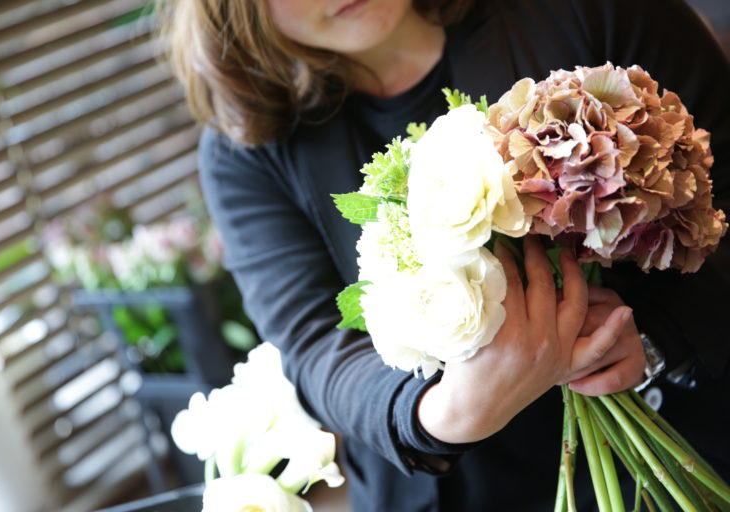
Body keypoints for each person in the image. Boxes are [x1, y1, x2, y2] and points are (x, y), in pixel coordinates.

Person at [164, 0, 730, 509]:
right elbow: (314, 342)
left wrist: (655, 337)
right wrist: (447, 412)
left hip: (678, 437)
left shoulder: (594, 12)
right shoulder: (245, 151)